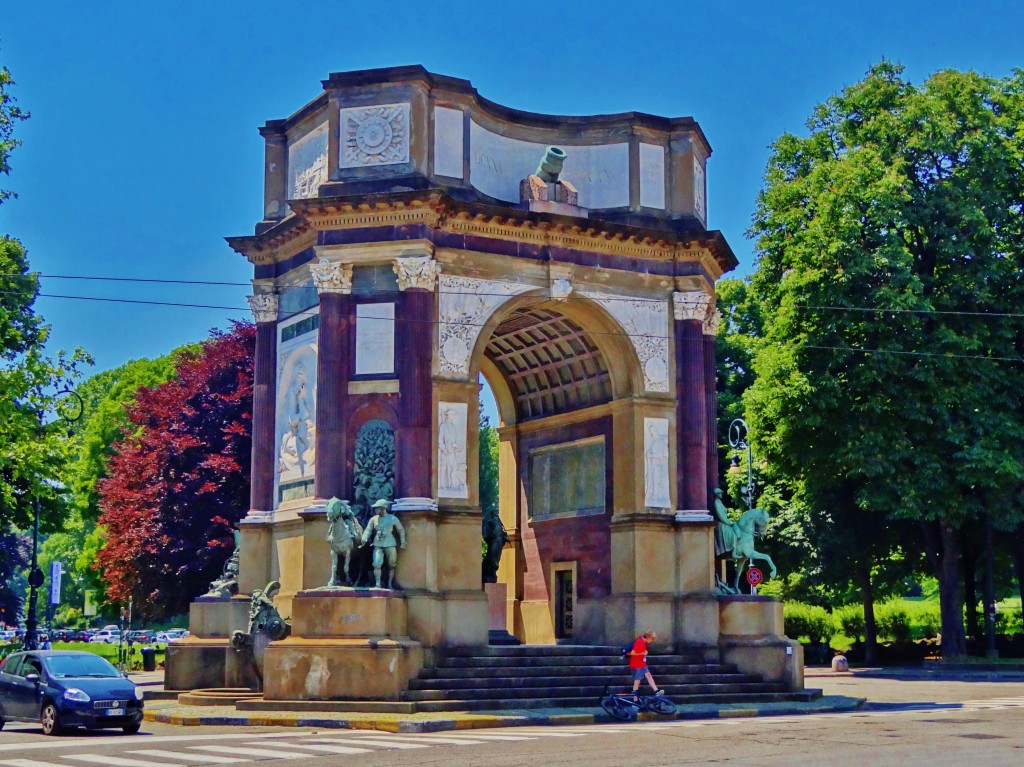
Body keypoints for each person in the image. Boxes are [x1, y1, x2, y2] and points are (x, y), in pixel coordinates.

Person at [627, 629, 663, 700]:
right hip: (637, 664)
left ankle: (656, 691)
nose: (652, 641)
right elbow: (632, 653)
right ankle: (635, 700)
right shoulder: (640, 641)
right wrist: (643, 653)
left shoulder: (642, 641)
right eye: (652, 639)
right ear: (648, 638)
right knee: (637, 681)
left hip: (641, 663)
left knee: (648, 675)